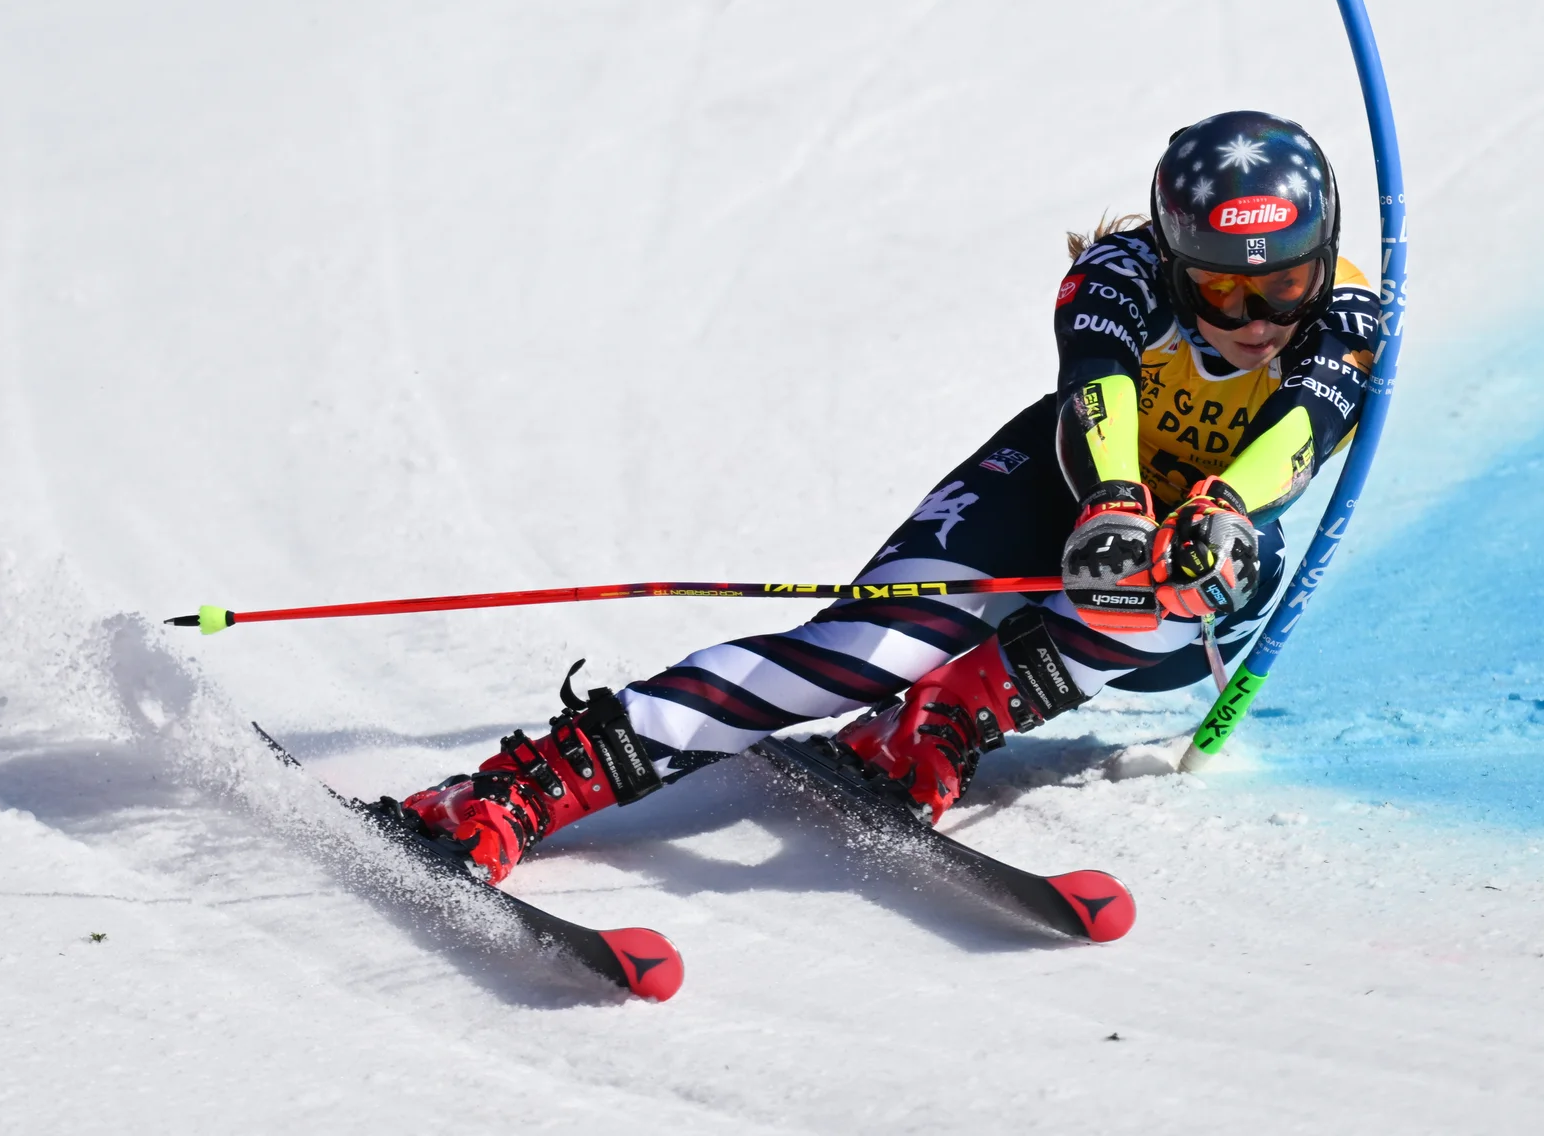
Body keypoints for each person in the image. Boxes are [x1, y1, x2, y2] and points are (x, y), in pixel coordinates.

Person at [400, 110, 1385, 882]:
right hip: (1062, 488)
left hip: (1198, 554)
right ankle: (523, 789)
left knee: (1196, 577)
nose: (1256, 319)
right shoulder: (1120, 275)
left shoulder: (1343, 314)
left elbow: (1303, 430)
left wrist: (1213, 513)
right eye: (1220, 293)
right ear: (1176, 263)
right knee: (860, 655)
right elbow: (1098, 385)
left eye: (1283, 284)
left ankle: (947, 717)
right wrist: (1114, 497)